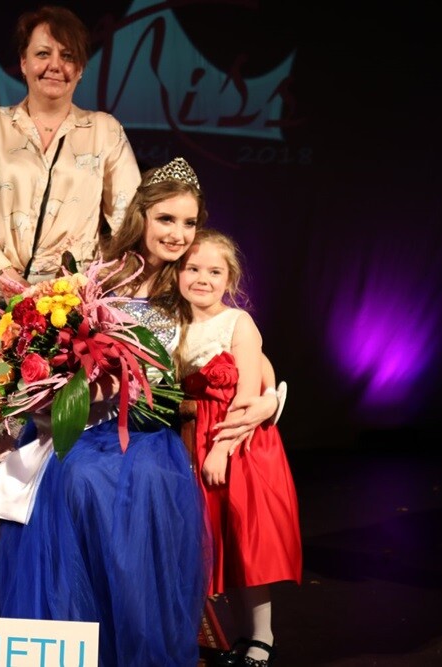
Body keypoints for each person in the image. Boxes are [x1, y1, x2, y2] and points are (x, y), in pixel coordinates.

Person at [0, 157, 281, 667]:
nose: (178, 234)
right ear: (141, 215)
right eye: (166, 219)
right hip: (87, 418)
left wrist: (272, 394)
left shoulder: (187, 278)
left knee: (120, 480)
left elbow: (240, 339)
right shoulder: (102, 272)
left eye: (188, 222)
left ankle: (127, 638)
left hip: (145, 428)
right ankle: (73, 636)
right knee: (71, 475)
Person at [0, 5, 141, 380]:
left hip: (69, 306)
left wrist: (102, 286)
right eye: (43, 53)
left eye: (68, 56)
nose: (55, 65)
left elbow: (128, 219)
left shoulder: (104, 131)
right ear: (23, 62)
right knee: (2, 404)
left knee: (67, 408)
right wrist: (3, 274)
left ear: (80, 69)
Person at [175, 228, 301, 666]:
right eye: (192, 268)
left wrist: (222, 449)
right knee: (217, 544)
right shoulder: (175, 324)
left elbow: (248, 392)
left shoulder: (237, 322)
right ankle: (242, 635)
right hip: (195, 438)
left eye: (214, 271)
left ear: (230, 279)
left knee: (246, 541)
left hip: (239, 443)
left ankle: (262, 638)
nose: (202, 279)